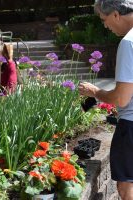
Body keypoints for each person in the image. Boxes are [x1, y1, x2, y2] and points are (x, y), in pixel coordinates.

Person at [78, 1, 133, 199]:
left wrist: (95, 92)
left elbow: (121, 98)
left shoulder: (129, 42)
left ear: (116, 14)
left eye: (104, 20)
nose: (105, 26)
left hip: (131, 127)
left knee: (127, 188)